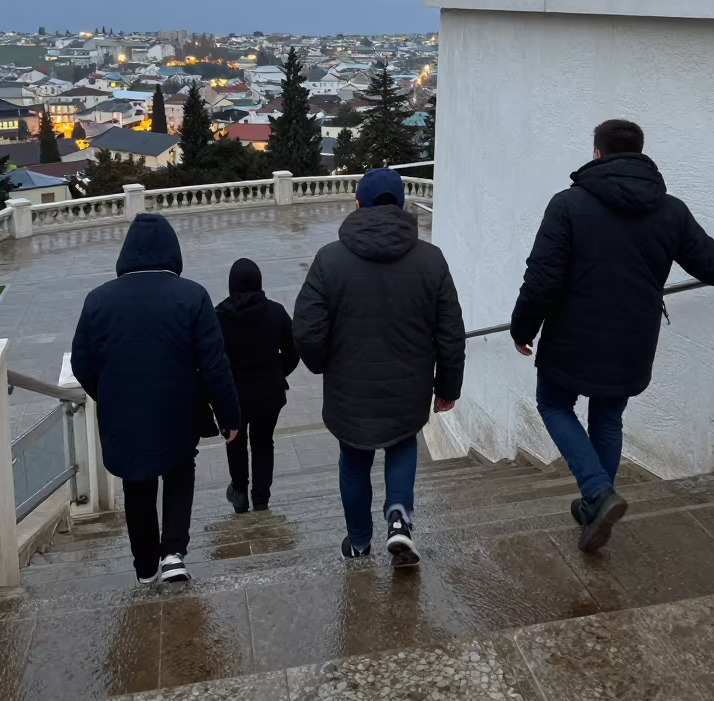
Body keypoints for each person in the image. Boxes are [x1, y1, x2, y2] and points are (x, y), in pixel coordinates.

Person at [510, 119, 714, 554]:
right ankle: (597, 505)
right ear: (641, 154)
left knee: (554, 404)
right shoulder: (671, 210)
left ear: (597, 154)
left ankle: (596, 491)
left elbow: (542, 279)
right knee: (608, 419)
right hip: (633, 339)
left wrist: (522, 328)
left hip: (572, 336)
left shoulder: (568, 204)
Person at [294, 167, 465, 567]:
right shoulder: (431, 258)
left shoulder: (329, 259)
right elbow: (450, 331)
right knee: (403, 444)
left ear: (357, 205)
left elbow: (306, 329)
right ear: (403, 206)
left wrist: (321, 363)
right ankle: (399, 520)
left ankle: (358, 543)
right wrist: (448, 387)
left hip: (348, 387)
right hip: (409, 384)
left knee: (353, 460)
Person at [71, 213, 240, 585]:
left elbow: (83, 362)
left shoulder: (97, 299)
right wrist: (229, 415)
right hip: (178, 408)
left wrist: (109, 393)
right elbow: (214, 365)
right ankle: (173, 553)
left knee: (137, 481)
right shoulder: (192, 295)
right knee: (180, 469)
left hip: (124, 414)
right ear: (172, 252)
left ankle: (145, 564)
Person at [215, 258, 299, 513]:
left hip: (232, 394)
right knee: (264, 443)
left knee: (235, 441)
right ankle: (261, 498)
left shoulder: (218, 316)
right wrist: (276, 371)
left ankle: (240, 493)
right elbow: (293, 353)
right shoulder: (276, 312)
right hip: (268, 393)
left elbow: (211, 359)